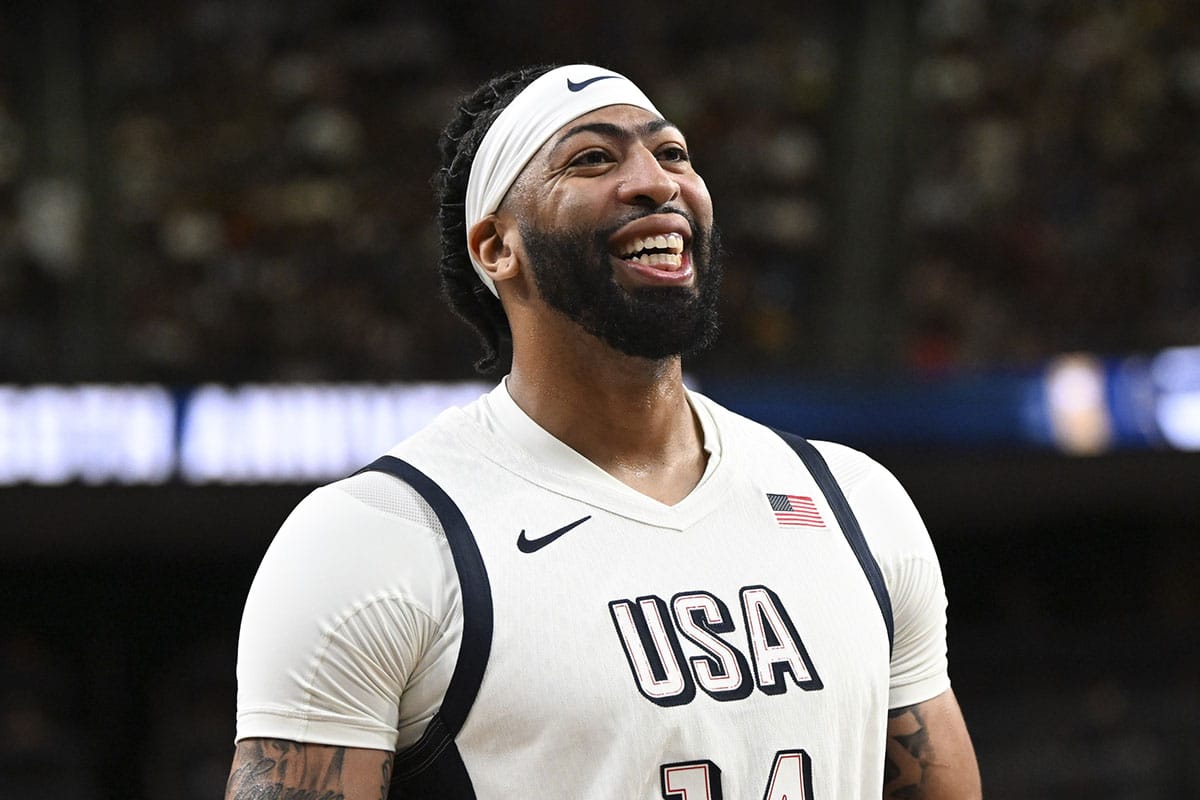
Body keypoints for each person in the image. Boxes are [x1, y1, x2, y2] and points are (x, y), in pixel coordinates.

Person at [224, 63, 981, 799]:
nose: (657, 181)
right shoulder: (376, 537)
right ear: (496, 248)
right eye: (591, 159)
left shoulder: (856, 502)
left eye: (674, 153)